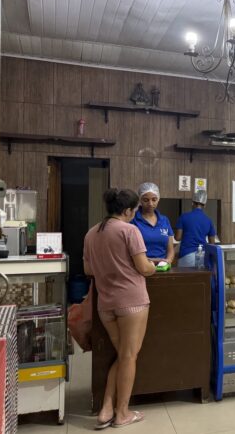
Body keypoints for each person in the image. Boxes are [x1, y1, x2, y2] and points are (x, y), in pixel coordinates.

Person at [83, 188, 156, 428]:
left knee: (123, 355)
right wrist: (154, 266)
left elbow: (88, 270)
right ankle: (122, 413)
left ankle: (106, 409)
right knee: (128, 356)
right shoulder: (129, 230)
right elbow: (144, 268)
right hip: (132, 301)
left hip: (106, 304)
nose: (135, 214)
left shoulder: (92, 233)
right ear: (127, 210)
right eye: (134, 210)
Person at [131, 182, 175, 264]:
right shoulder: (133, 220)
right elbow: (130, 251)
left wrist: (168, 261)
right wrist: (156, 260)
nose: (150, 204)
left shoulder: (164, 220)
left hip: (162, 267)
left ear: (158, 199)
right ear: (140, 200)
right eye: (146, 200)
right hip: (141, 266)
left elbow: (170, 249)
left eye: (154, 200)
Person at [175, 189, 217, 268]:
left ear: (192, 203)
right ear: (205, 205)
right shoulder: (209, 220)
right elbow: (212, 244)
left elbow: (177, 237)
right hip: (203, 256)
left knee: (185, 276)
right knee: (199, 276)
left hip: (186, 256)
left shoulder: (183, 217)